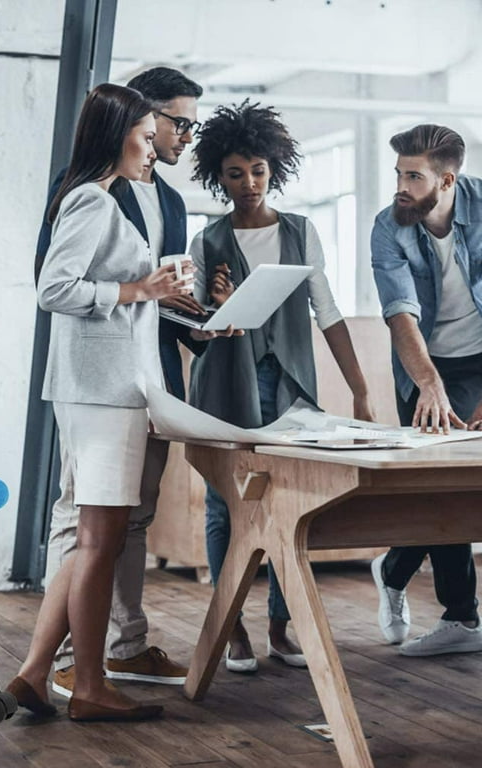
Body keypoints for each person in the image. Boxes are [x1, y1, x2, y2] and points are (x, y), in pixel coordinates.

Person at [6, 83, 213, 722]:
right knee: (98, 541)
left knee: (93, 540)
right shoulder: (92, 200)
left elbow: (121, 291)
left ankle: (36, 675)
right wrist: (135, 288)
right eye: (148, 137)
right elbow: (53, 288)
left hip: (116, 385)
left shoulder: (101, 200)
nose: (154, 150)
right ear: (118, 133)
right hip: (102, 390)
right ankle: (90, 686)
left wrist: (159, 294)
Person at [188, 100, 375, 672]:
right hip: (225, 388)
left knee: (290, 507)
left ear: (275, 168)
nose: (249, 183)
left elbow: (328, 312)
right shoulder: (207, 242)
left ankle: (280, 622)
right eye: (235, 173)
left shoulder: (301, 232)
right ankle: (233, 626)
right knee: (226, 509)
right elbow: (196, 335)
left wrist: (360, 390)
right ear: (217, 176)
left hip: (290, 385)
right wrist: (217, 309)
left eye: (259, 170)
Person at [370, 123, 482, 656]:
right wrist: (430, 385)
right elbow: (400, 314)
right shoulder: (389, 226)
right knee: (440, 484)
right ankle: (462, 618)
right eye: (398, 174)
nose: (400, 186)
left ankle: (390, 570)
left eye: (413, 176)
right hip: (423, 364)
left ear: (446, 181)